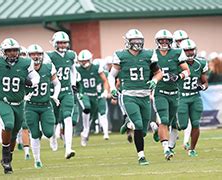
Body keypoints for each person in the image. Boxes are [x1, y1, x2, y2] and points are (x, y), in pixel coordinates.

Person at [0, 38, 40, 174]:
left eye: (15, 50)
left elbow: (36, 77)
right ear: (3, 52)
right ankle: (5, 156)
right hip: (2, 100)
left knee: (15, 133)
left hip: (19, 102)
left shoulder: (26, 62)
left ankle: (8, 158)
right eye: (9, 51)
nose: (12, 53)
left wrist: (32, 83)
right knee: (8, 125)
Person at [108, 29, 163, 165]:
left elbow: (158, 73)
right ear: (128, 42)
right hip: (129, 96)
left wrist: (154, 81)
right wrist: (113, 88)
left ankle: (133, 124)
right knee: (138, 125)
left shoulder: (148, 54)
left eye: (139, 41)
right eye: (134, 41)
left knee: (142, 132)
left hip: (144, 96)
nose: (138, 44)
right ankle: (141, 156)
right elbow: (111, 75)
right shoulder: (121, 55)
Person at [153, 29, 190, 160]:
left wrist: (179, 76)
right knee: (164, 120)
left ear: (170, 42)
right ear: (157, 42)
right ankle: (166, 149)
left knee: (171, 121)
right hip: (159, 92)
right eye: (161, 41)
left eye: (166, 40)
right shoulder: (152, 55)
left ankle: (162, 136)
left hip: (174, 93)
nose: (163, 43)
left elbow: (187, 70)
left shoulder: (177, 53)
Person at [25, 44, 60, 168]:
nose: (36, 56)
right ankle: (37, 160)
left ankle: (53, 137)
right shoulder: (23, 69)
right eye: (33, 54)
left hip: (46, 105)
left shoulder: (49, 67)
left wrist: (55, 95)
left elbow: (57, 83)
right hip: (30, 106)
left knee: (49, 132)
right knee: (34, 133)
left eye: (38, 54)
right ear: (28, 56)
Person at [47, 31, 77, 159]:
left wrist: (74, 83)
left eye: (64, 42)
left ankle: (68, 147)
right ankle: (53, 138)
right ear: (54, 43)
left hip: (67, 91)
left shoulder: (71, 55)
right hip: (53, 91)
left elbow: (73, 70)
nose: (63, 45)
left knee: (67, 117)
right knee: (54, 118)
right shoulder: (49, 56)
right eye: (60, 42)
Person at [177, 39, 208, 156]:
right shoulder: (178, 64)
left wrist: (202, 87)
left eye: (191, 50)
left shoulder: (200, 63)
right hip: (181, 98)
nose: (190, 53)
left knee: (195, 123)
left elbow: (205, 82)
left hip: (195, 97)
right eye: (187, 50)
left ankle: (192, 149)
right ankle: (171, 124)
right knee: (183, 125)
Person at [76, 49, 110, 146]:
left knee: (101, 113)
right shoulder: (77, 69)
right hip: (85, 94)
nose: (84, 63)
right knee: (86, 108)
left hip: (97, 95)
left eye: (86, 60)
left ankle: (105, 132)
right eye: (82, 61)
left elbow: (105, 80)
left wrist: (105, 91)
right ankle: (86, 131)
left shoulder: (96, 67)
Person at [171, 29, 192, 150]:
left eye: (183, 40)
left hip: (185, 86)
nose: (181, 42)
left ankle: (185, 141)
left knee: (186, 114)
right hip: (172, 87)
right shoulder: (173, 52)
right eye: (179, 40)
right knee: (171, 118)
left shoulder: (189, 49)